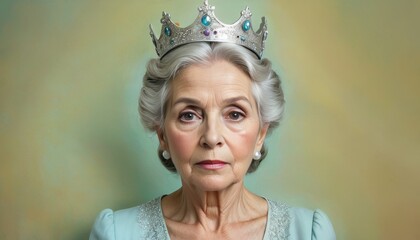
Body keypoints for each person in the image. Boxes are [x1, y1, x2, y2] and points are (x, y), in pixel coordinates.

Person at [90, 1, 336, 239]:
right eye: (189, 115)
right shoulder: (117, 233)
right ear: (162, 134)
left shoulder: (308, 233)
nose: (211, 137)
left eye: (235, 114)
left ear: (261, 133)